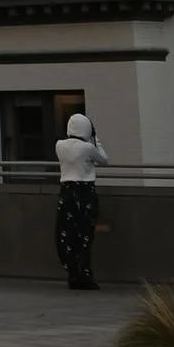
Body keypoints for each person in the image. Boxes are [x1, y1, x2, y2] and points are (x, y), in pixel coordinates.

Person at [55, 106, 108, 290]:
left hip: (66, 191)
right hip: (85, 191)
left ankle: (72, 273)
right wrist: (96, 139)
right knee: (85, 234)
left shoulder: (59, 145)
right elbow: (103, 159)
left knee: (67, 233)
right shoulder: (87, 148)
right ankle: (84, 274)